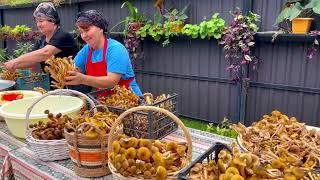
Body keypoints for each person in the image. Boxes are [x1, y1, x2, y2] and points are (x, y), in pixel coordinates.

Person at [65, 10, 142, 97]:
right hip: (107, 102)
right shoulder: (87, 50)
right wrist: (64, 69)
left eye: (87, 30)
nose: (84, 35)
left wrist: (83, 79)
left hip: (130, 100)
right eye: (81, 32)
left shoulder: (115, 49)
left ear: (101, 28)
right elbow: (72, 70)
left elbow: (112, 81)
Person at [4, 2, 78, 78]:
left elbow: (45, 53)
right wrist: (12, 65)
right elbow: (31, 61)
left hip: (73, 84)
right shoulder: (42, 40)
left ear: (52, 21)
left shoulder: (63, 36)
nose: (38, 25)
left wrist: (16, 61)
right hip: (56, 84)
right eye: (37, 22)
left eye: (41, 21)